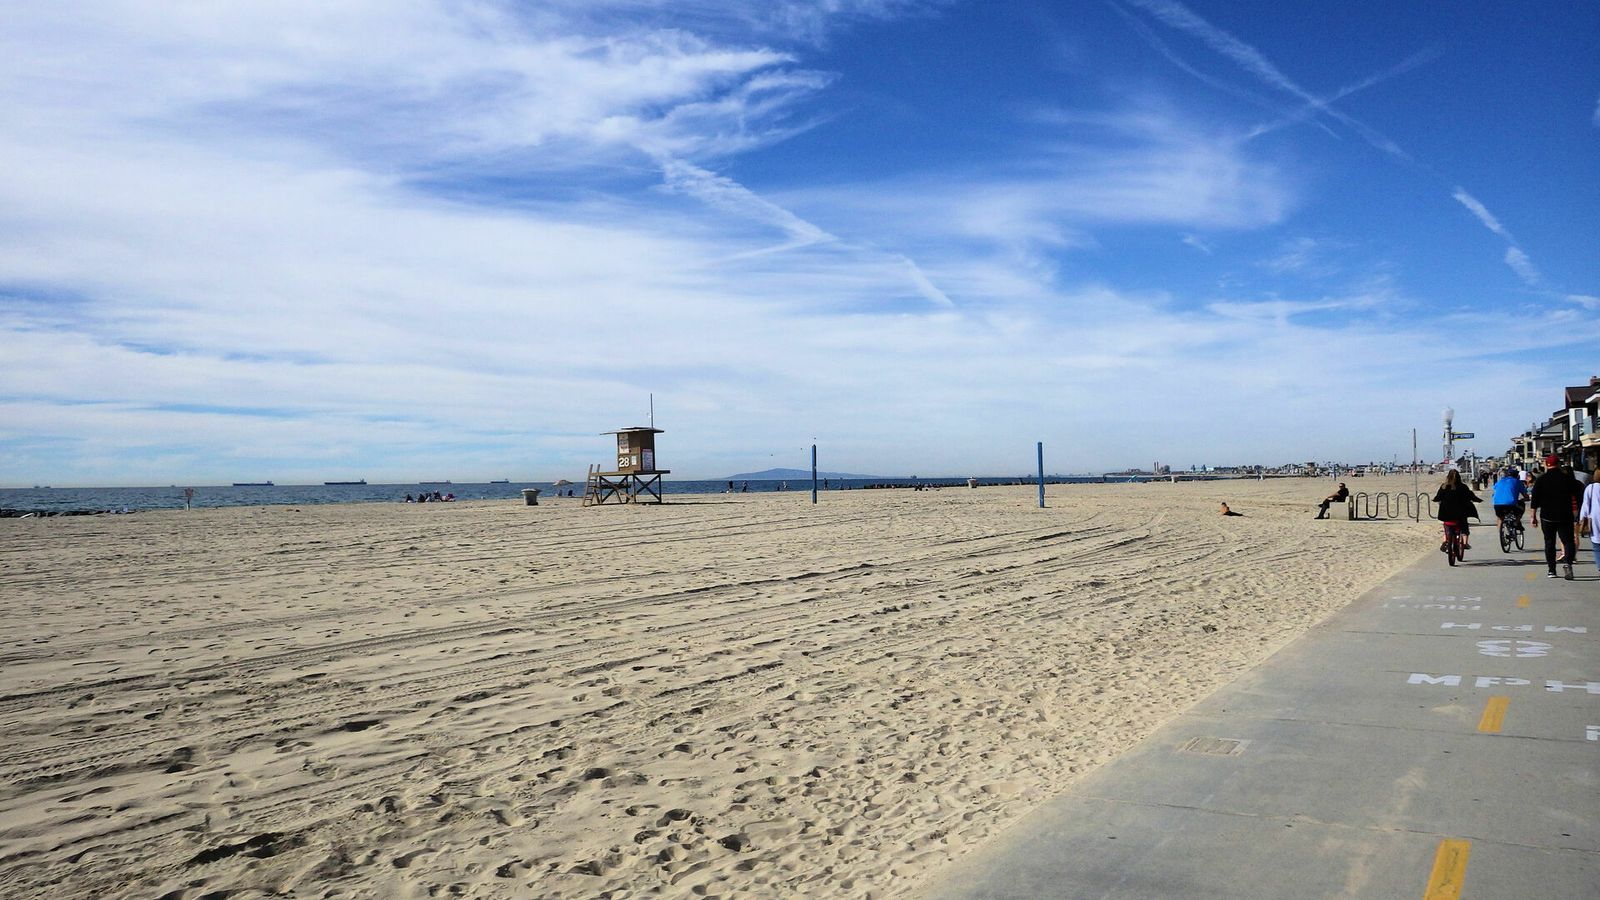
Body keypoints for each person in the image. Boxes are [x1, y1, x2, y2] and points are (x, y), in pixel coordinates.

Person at [1531, 464, 1582, 579]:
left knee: (1549, 542)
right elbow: (1579, 496)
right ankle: (1568, 564)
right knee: (1568, 541)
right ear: (1558, 465)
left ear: (1546, 465)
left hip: (1547, 516)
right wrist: (1580, 513)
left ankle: (1551, 570)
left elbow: (1535, 498)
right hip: (1565, 515)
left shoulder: (1541, 479)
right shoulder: (1568, 479)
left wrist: (1533, 515)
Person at [1432, 470, 1480, 552]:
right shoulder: (1463, 487)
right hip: (1460, 514)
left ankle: (1445, 541)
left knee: (1446, 527)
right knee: (1464, 526)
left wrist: (1435, 500)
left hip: (1445, 514)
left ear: (1448, 477)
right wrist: (1478, 500)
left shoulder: (1444, 486)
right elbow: (1470, 496)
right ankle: (1465, 543)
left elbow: (1438, 497)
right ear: (1459, 477)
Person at [1490, 467, 1529, 534]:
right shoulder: (1518, 482)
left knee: (1500, 518)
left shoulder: (1500, 481)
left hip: (1497, 504)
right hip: (1511, 504)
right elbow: (1526, 496)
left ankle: (1501, 535)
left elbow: (1494, 492)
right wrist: (1524, 499)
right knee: (1521, 505)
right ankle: (1516, 522)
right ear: (1518, 476)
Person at [1580, 467, 1600, 575]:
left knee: (1597, 545)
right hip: (1595, 517)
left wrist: (1582, 518)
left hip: (1594, 518)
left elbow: (1586, 505)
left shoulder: (1590, 488)